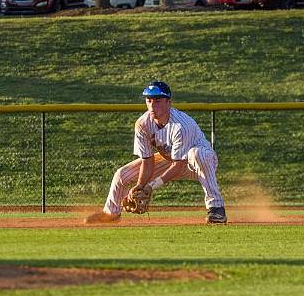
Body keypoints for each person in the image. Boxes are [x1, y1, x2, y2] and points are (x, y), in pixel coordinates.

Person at [85, 81, 227, 224]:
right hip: (170, 160)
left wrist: (151, 186)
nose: (153, 105)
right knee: (122, 174)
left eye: (158, 100)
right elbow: (147, 161)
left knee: (197, 154)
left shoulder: (181, 125)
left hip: (198, 163)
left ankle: (217, 209)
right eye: (149, 100)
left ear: (169, 102)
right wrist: (140, 186)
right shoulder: (143, 124)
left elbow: (179, 165)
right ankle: (111, 213)